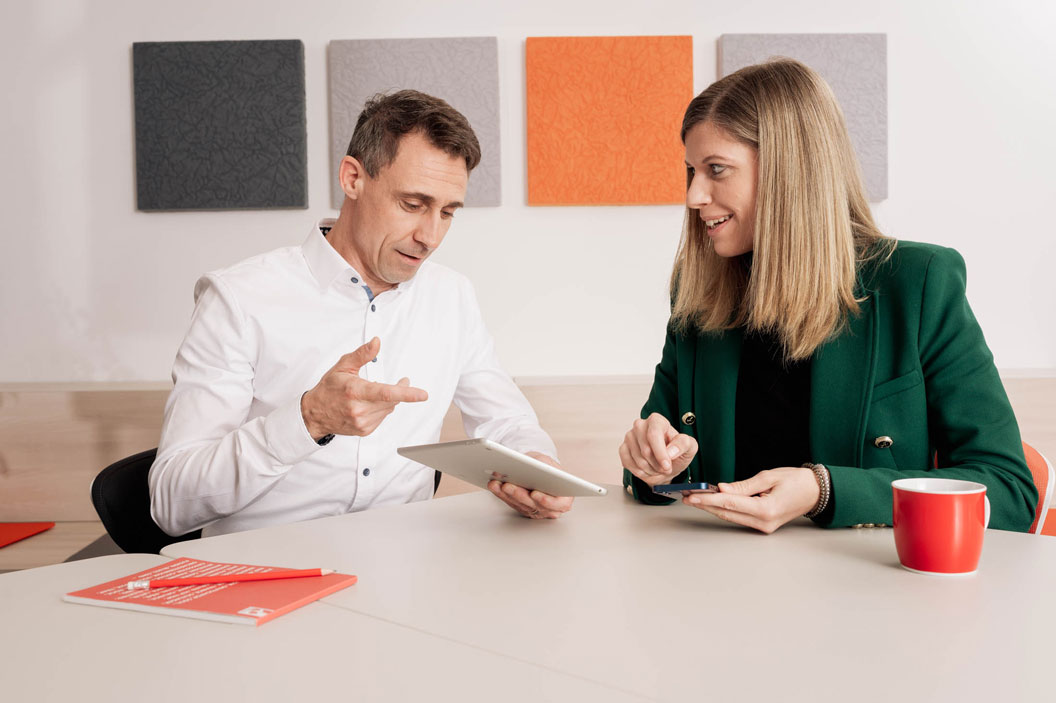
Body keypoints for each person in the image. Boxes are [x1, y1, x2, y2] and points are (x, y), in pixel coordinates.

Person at [620, 59, 1037, 533]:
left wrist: (825, 491)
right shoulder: (697, 293)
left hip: (869, 597)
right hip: (718, 591)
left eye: (716, 169)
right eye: (692, 171)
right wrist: (650, 464)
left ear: (788, 172)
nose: (694, 195)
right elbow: (657, 477)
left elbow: (1008, 493)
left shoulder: (919, 284)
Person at [150, 90, 573, 537]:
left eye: (447, 213)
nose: (430, 236)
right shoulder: (238, 299)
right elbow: (171, 504)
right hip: (265, 573)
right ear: (353, 178)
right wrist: (309, 419)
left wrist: (539, 468)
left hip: (401, 571)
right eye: (413, 205)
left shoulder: (452, 297)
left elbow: (506, 420)